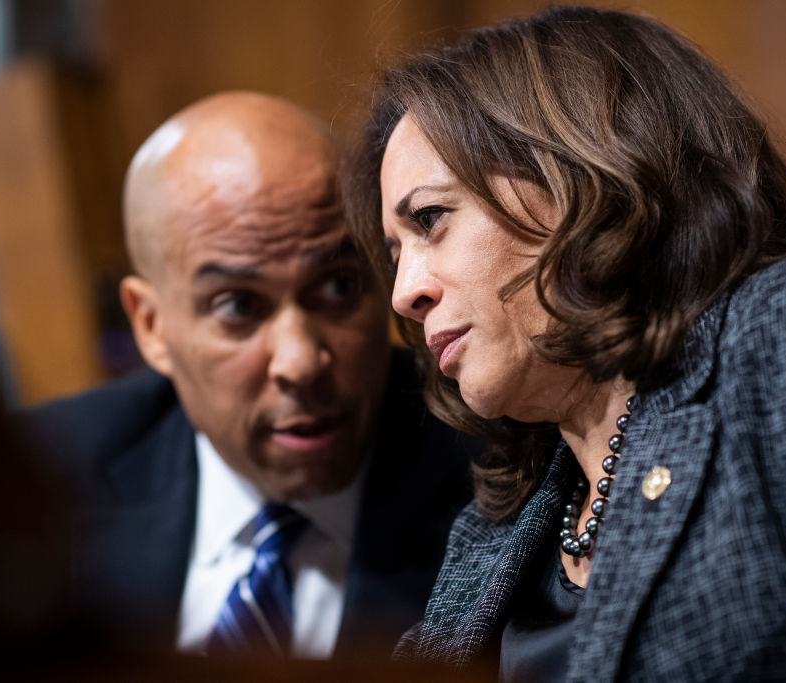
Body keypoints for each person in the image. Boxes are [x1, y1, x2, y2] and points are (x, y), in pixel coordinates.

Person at [345, 7, 786, 680]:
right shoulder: (494, 530)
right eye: (395, 253)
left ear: (583, 172)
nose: (404, 293)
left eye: (431, 219)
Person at [28, 91, 475, 661]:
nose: (300, 362)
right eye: (238, 306)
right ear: (151, 326)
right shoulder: (42, 481)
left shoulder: (501, 475)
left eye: (339, 287)